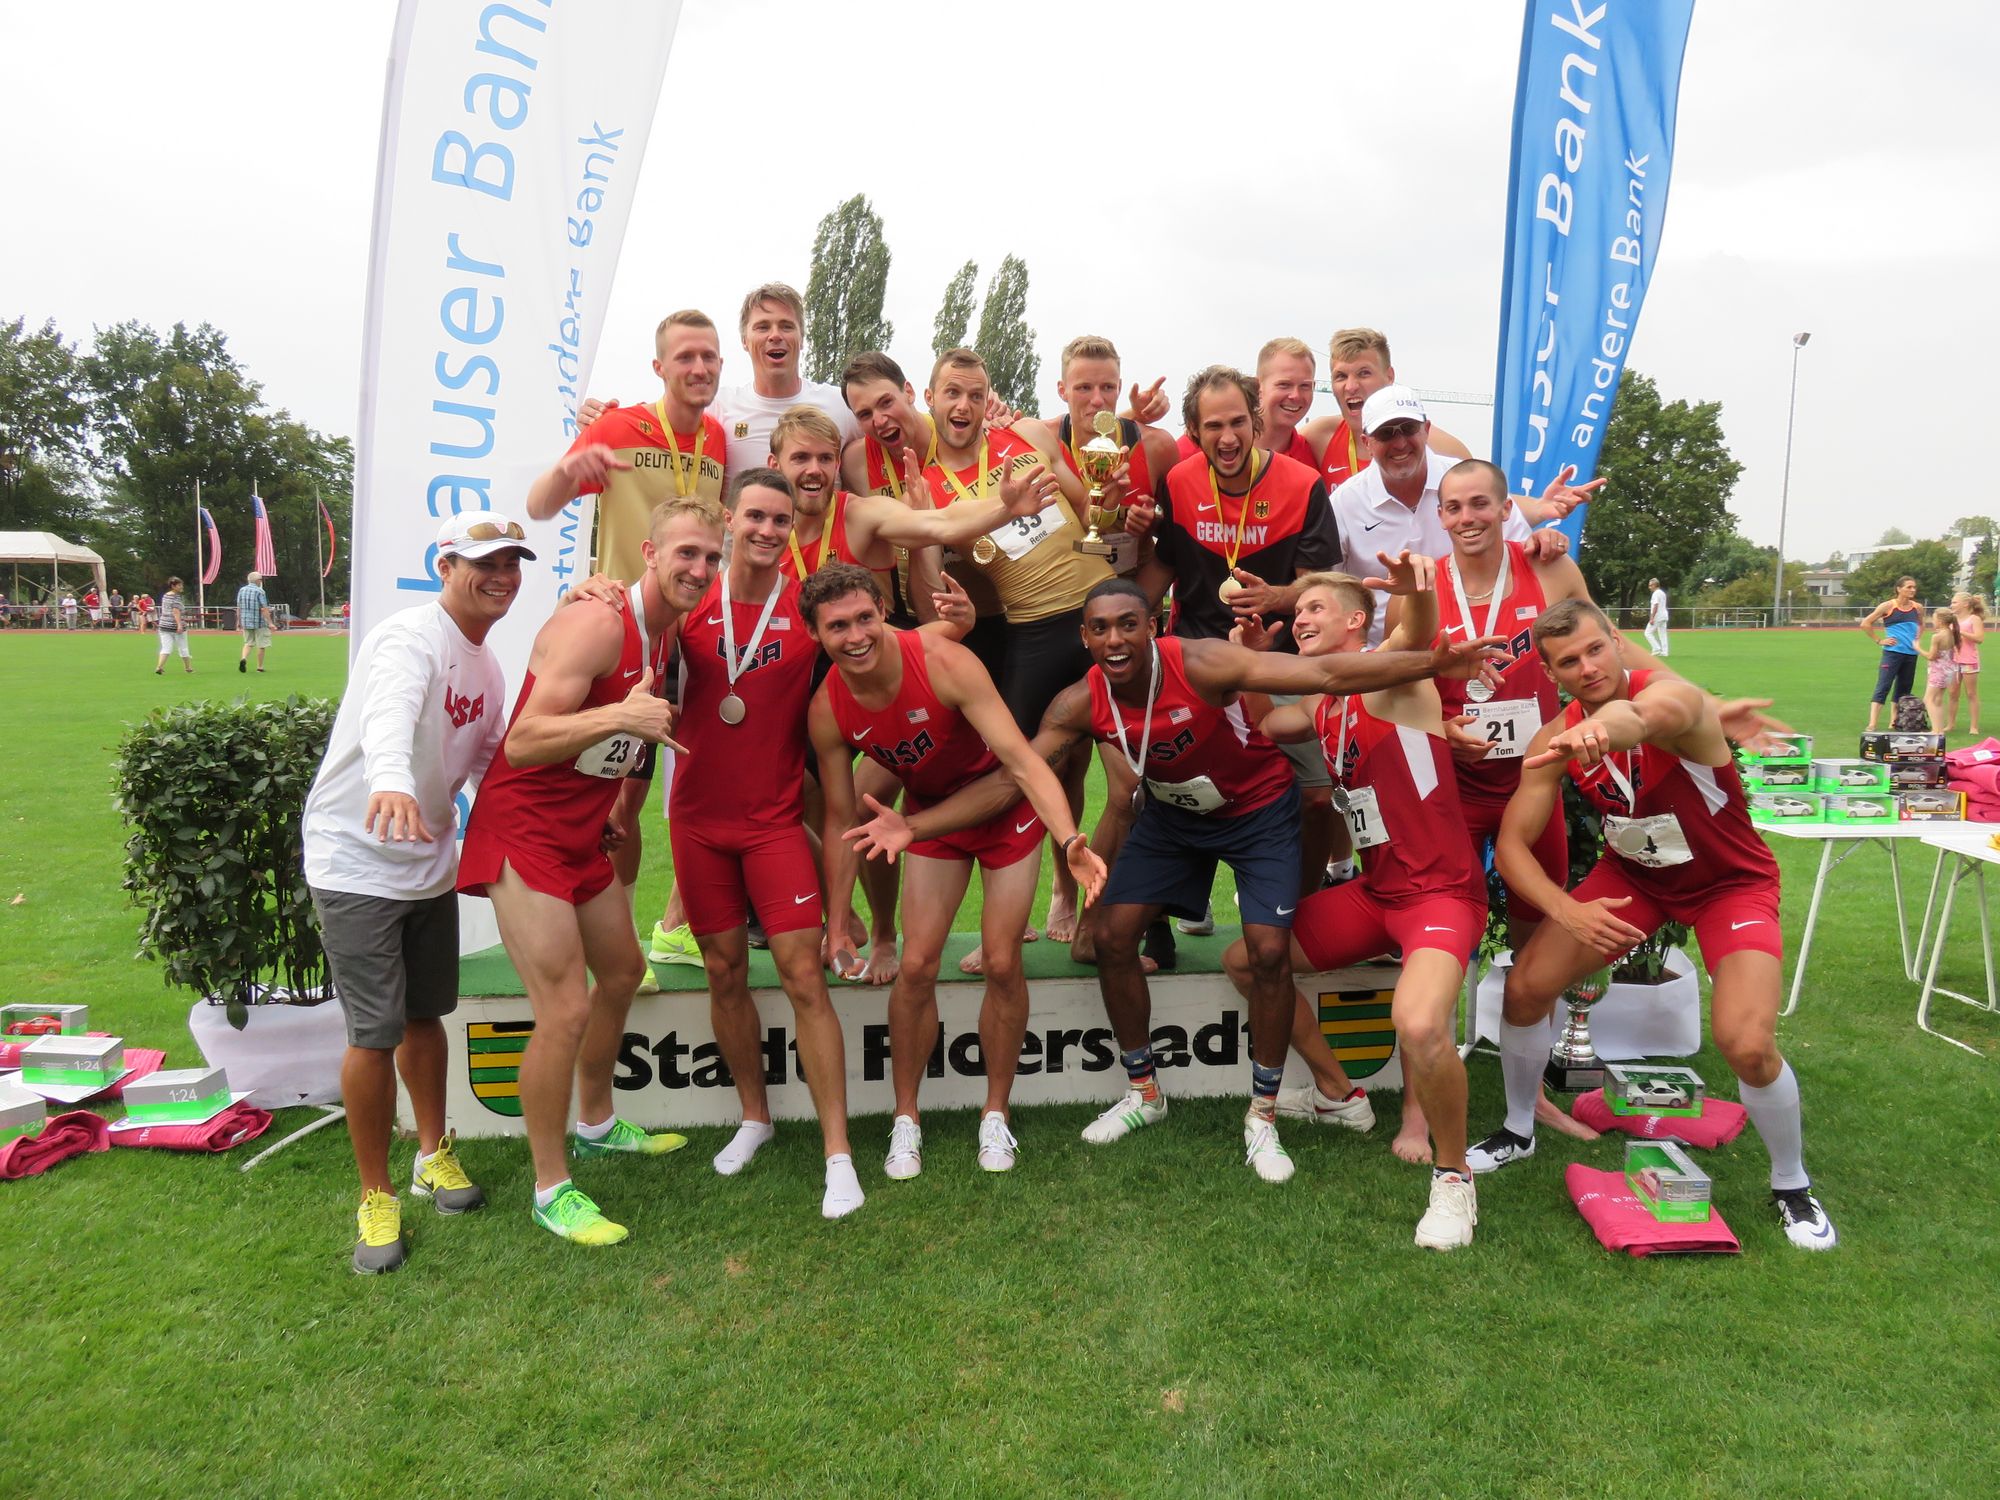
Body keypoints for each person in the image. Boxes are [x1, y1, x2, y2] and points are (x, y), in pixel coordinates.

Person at [848, 577, 1501, 1181]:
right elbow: (1011, 778)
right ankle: (1144, 1092)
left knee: (1267, 951)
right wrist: (916, 827)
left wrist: (1431, 664)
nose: (1114, 640)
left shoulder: (1201, 662)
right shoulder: (1078, 701)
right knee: (1110, 937)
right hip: (1173, 818)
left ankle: (1263, 1114)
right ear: (1084, 637)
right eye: (1099, 628)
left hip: (1257, 812)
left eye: (1128, 625)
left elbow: (1324, 672)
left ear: (1153, 626)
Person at [1468, 598, 1837, 1250]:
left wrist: (1604, 730)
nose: (1587, 668)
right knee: (1525, 989)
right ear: (1551, 674)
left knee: (1747, 1044)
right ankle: (1519, 1129)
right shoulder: (1555, 736)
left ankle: (1792, 1184)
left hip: (1729, 885)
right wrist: (1564, 908)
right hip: (1636, 879)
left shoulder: (1674, 698)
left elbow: (1640, 717)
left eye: (1595, 649)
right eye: (1568, 662)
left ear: (1617, 641)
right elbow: (1515, 845)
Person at [457, 496, 724, 1247]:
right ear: (650, 553)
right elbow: (524, 742)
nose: (700, 569)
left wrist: (607, 803)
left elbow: (604, 748)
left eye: (712, 557)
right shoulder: (598, 622)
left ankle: (598, 1123)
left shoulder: (660, 632)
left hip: (580, 834)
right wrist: (619, 719)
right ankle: (551, 1189)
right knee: (564, 1009)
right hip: (523, 834)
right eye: (687, 553)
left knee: (624, 971)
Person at [805, 562, 1108, 1177]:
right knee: (916, 966)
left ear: (884, 611)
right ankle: (905, 1119)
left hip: (1004, 813)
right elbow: (840, 819)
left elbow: (1021, 762)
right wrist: (836, 921)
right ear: (816, 634)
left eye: (864, 618)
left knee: (1002, 960)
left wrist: (1070, 838)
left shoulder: (943, 662)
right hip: (928, 817)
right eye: (838, 626)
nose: (856, 636)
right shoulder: (827, 709)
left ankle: (995, 1114)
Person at [301, 511, 535, 1273]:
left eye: (511, 563)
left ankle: (432, 1155)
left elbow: (492, 764)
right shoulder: (409, 638)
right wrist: (393, 784)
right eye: (483, 562)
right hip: (357, 862)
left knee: (425, 1016)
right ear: (445, 567)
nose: (500, 576)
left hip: (427, 862)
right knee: (374, 1032)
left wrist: (555, 820)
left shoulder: (488, 666)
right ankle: (376, 1195)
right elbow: (388, 717)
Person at [1230, 564, 1489, 1247]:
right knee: (1249, 960)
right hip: (1377, 894)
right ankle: (1340, 1093)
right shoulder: (1324, 701)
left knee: (1419, 1022)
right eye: (1299, 612)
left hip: (1440, 895)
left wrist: (1414, 590)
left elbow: (1418, 634)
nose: (1302, 618)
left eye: (1317, 608)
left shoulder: (1393, 675)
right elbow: (1269, 720)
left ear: (1356, 622)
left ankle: (1454, 1178)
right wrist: (1252, 659)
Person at [668, 470, 869, 1218]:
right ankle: (754, 1116)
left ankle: (838, 1153)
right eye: (754, 515)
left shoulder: (804, 608)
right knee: (724, 971)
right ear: (730, 517)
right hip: (696, 822)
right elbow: (628, 619)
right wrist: (587, 591)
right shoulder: (690, 598)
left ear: (792, 528)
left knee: (802, 976)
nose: (766, 529)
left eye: (780, 520)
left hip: (773, 823)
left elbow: (871, 641)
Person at [1129, 365, 1343, 913]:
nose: (1227, 438)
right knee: (1173, 794)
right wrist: (1121, 617)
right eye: (1213, 426)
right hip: (1198, 668)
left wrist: (1277, 597)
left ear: (1255, 421)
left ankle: (1303, 911)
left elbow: (1321, 588)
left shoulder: (1302, 484)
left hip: (1278, 663)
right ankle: (1169, 916)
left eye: (1237, 423)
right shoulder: (1179, 481)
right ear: (1194, 431)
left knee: (1318, 797)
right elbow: (1165, 565)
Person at [1329, 385, 1591, 643]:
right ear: (1367, 442)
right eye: (1386, 434)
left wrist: (1540, 540)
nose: (1399, 443)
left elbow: (1521, 554)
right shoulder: (1344, 502)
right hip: (1383, 648)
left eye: (1408, 429)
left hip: (1492, 637)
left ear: (1426, 430)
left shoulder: (1465, 478)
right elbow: (1331, 587)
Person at [1304, 327, 1475, 489]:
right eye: (1341, 376)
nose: (1351, 386)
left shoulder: (1445, 450)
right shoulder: (1318, 437)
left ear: (1390, 376)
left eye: (1364, 373)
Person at [1861, 575, 1924, 731]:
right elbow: (1866, 623)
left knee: (1903, 690)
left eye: (1914, 587)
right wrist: (1879, 640)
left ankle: (1895, 722)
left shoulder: (1917, 608)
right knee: (1883, 686)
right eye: (1909, 587)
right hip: (1892, 653)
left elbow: (1921, 625)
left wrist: (1917, 640)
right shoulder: (1888, 606)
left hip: (1911, 654)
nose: (1913, 590)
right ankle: (1872, 723)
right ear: (1899, 589)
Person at [1950, 593, 1985, 735]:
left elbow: (1979, 638)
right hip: (1953, 660)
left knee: (1971, 693)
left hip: (1969, 660)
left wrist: (1961, 632)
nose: (1952, 605)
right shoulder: (1952, 619)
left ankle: (1974, 727)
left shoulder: (1974, 619)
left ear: (1965, 604)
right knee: (1953, 693)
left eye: (1954, 602)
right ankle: (1950, 724)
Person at [1924, 606, 1961, 733]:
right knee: (1938, 700)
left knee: (1928, 699)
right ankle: (1939, 730)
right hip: (1948, 671)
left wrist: (1917, 648)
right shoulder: (1951, 633)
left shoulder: (1937, 636)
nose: (1932, 621)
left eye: (1933, 619)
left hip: (1939, 671)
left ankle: (1936, 730)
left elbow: (1931, 656)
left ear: (1940, 621)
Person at [237, 570, 275, 673]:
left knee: (248, 643)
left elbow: (239, 607)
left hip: (246, 621)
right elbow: (264, 608)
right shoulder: (260, 591)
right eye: (260, 579)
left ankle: (243, 658)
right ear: (257, 580)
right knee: (261, 645)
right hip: (259, 622)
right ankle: (260, 667)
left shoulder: (242, 590)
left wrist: (238, 622)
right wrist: (270, 623)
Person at [154, 577, 192, 674]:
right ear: (173, 586)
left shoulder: (165, 596)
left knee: (166, 648)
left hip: (164, 625)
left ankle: (159, 667)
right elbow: (176, 611)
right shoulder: (176, 597)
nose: (181, 587)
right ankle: (188, 667)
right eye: (179, 585)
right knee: (183, 647)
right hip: (174, 625)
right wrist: (179, 625)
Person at [1645, 577, 1670, 657]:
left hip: (1658, 616)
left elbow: (1655, 605)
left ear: (1655, 585)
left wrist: (1652, 617)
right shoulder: (1662, 593)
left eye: (1650, 585)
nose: (1649, 587)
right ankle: (1665, 652)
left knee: (1648, 633)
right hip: (1664, 615)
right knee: (1662, 634)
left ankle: (1656, 649)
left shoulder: (1656, 594)